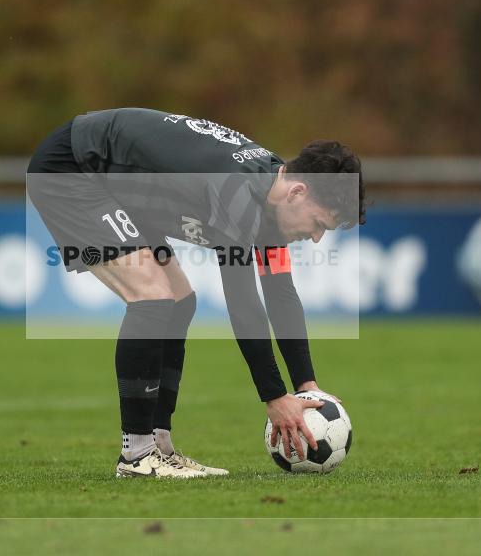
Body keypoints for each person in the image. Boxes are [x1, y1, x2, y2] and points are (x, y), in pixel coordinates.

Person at [27, 108, 365, 478]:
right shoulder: (238, 193)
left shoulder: (272, 195)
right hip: (73, 168)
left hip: (114, 181)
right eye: (318, 224)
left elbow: (280, 292)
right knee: (153, 296)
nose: (317, 237)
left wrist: (305, 384)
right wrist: (274, 396)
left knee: (179, 300)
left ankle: (159, 447)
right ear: (298, 191)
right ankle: (137, 455)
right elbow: (242, 301)